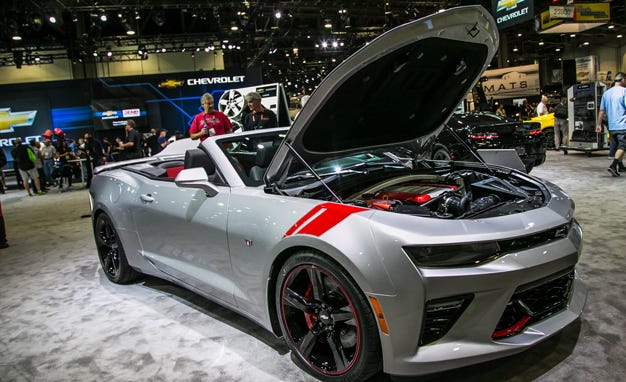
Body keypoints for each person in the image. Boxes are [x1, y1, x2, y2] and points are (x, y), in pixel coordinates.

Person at [596, 72, 626, 176]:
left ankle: (621, 166)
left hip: (612, 126)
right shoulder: (624, 91)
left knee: (618, 146)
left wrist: (598, 125)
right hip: (623, 124)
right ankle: (613, 165)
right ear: (623, 80)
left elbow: (601, 111)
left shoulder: (606, 93)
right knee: (623, 146)